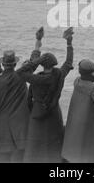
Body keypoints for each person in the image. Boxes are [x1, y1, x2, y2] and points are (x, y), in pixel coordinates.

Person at [0, 27, 44, 163]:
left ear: (3, 63)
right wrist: (38, 40)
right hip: (21, 123)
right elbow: (34, 60)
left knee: (4, 158)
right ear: (15, 63)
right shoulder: (22, 76)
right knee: (18, 157)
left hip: (3, 123)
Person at [22, 27, 74, 163]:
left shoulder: (35, 78)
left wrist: (38, 42)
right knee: (53, 142)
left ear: (41, 64)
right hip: (53, 111)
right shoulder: (59, 75)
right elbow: (68, 63)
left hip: (37, 111)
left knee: (34, 143)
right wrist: (69, 43)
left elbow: (23, 71)